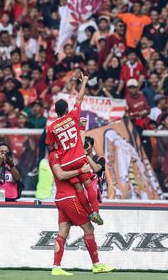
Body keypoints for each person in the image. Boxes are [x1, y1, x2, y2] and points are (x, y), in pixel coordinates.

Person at [45, 71, 102, 225]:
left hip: (65, 163)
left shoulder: (51, 128)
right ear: (66, 110)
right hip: (78, 158)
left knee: (78, 187)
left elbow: (50, 147)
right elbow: (80, 98)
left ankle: (89, 213)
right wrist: (83, 82)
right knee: (88, 185)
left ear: (56, 112)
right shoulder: (72, 116)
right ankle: (95, 212)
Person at [49, 150, 114, 276]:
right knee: (89, 229)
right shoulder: (72, 158)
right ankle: (96, 265)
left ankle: (56, 267)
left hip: (60, 198)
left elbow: (62, 175)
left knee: (63, 232)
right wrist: (91, 212)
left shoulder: (55, 155)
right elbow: (80, 187)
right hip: (70, 198)